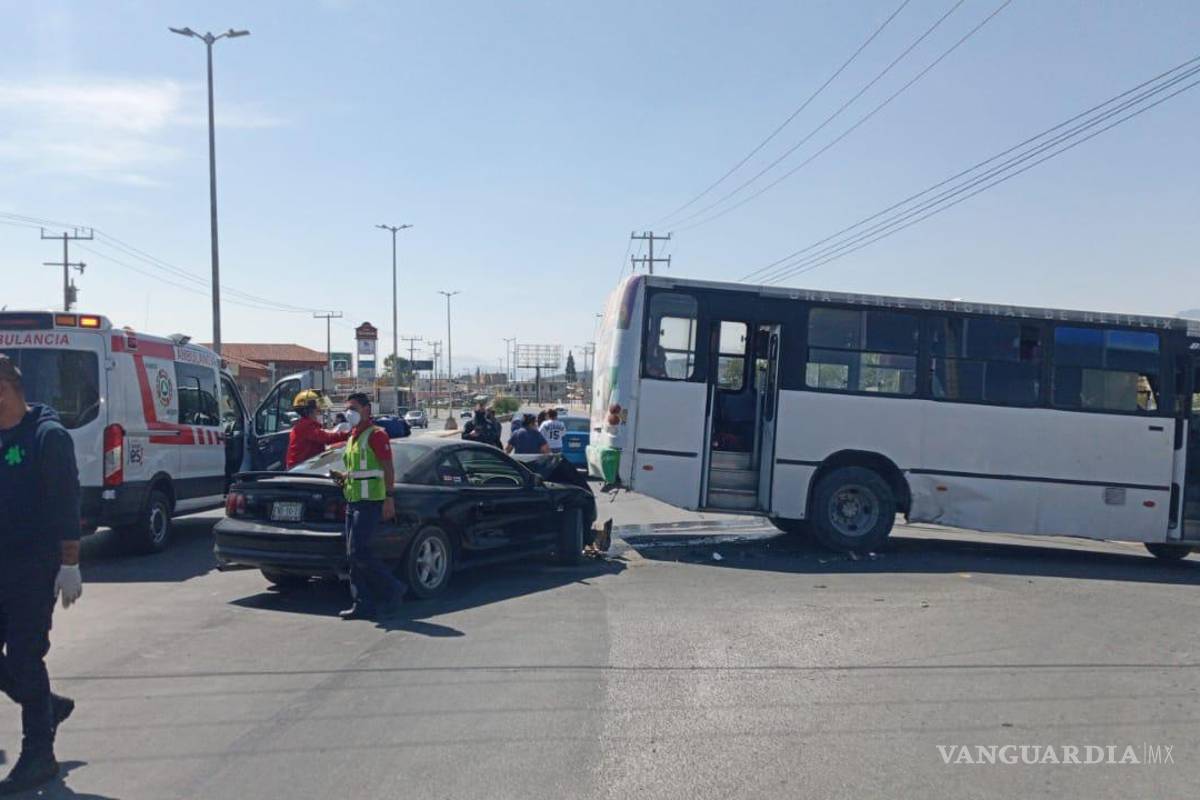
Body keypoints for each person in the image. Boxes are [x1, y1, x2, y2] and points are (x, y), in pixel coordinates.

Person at [0, 355, 80, 794]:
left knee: (24, 658)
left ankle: (39, 754)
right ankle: (47, 705)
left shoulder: (48, 437)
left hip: (34, 566)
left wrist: (70, 564)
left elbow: (66, 503)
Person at [330, 393, 405, 621]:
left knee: (359, 551)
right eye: (347, 408)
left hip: (370, 501)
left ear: (366, 409)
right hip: (353, 500)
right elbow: (359, 470)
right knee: (352, 555)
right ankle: (362, 603)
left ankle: (393, 588)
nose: (349, 412)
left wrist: (389, 497)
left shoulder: (377, 435)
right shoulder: (353, 436)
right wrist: (344, 476)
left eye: (353, 408)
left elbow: (388, 468)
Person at [285, 390, 351, 469]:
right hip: (300, 468)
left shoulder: (304, 424)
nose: (320, 411)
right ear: (309, 410)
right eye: (317, 408)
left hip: (303, 465)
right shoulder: (306, 426)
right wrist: (348, 434)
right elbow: (326, 438)